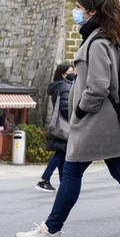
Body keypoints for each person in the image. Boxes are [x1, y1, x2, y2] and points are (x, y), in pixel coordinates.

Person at [18, 0, 120, 237]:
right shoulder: (109, 37)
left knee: (72, 172)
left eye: (78, 7)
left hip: (94, 122)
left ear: (92, 12)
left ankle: (51, 229)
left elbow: (98, 87)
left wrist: (79, 109)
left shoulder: (96, 43)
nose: (75, 12)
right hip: (108, 122)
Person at [36, 64, 75, 193]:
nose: (73, 73)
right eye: (71, 71)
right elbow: (65, 108)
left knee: (62, 154)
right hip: (64, 126)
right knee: (61, 154)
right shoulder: (65, 87)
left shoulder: (59, 86)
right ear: (64, 74)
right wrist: (76, 116)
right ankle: (44, 180)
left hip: (59, 126)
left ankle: (64, 184)